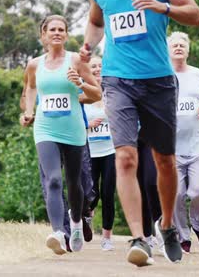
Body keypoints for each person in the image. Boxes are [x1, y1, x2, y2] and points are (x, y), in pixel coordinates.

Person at [79, 0, 199, 266]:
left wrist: (162, 7)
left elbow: (195, 14)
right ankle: (138, 238)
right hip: (117, 79)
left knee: (165, 160)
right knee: (125, 157)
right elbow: (96, 22)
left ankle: (167, 226)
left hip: (158, 80)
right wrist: (88, 44)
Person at [21, 15, 101, 255]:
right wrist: (28, 110)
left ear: (66, 35)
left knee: (74, 183)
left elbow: (96, 94)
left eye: (61, 30)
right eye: (52, 30)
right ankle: (58, 232)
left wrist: (81, 83)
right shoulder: (34, 64)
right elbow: (30, 88)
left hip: (73, 129)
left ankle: (76, 222)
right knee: (53, 179)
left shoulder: (76, 60)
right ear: (43, 35)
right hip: (45, 128)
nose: (57, 33)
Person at [168, 31, 199, 254]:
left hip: (197, 145)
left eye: (182, 45)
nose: (178, 47)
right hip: (172, 148)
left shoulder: (198, 74)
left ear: (188, 50)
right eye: (174, 45)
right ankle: (182, 234)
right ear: (168, 50)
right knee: (175, 194)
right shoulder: (163, 75)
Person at [83, 56, 117, 251]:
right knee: (90, 194)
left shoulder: (113, 93)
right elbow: (73, 119)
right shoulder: (83, 94)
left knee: (108, 193)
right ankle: (85, 216)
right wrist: (88, 124)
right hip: (90, 151)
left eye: (99, 66)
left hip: (111, 150)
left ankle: (106, 238)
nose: (96, 69)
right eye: (93, 66)